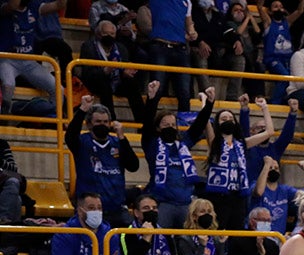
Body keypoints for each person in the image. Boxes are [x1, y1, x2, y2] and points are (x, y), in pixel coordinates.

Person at [141, 81, 215, 230]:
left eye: (173, 125)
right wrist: (152, 99)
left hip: (185, 203)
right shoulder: (152, 144)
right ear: (158, 127)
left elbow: (198, 125)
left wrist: (209, 104)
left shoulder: (183, 143)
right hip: (163, 203)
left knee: (186, 240)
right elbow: (147, 123)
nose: (170, 128)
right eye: (166, 125)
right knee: (160, 239)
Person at [66, 97, 140, 228]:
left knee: (130, 236)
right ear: (89, 124)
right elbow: (70, 135)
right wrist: (82, 110)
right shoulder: (82, 142)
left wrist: (122, 138)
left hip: (117, 209)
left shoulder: (117, 142)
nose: (102, 125)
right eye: (98, 121)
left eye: (106, 122)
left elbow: (133, 166)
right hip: (91, 211)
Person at [203, 98, 275, 231]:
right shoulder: (214, 142)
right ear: (217, 124)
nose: (228, 121)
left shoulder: (242, 143)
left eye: (231, 118)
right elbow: (205, 120)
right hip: (218, 196)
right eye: (224, 119)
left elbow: (270, 132)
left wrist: (264, 107)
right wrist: (205, 101)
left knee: (237, 233)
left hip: (238, 195)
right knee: (218, 233)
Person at [79, 21, 146, 123]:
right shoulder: (88, 47)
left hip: (116, 81)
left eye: (112, 34)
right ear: (98, 34)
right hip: (96, 82)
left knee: (131, 84)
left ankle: (143, 121)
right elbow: (87, 73)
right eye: (105, 33)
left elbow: (124, 67)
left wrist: (125, 73)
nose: (109, 36)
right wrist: (104, 71)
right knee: (104, 84)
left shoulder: (121, 48)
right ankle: (111, 121)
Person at [0, 0, 59, 115]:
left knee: (58, 88)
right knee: (8, 85)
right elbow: (13, 6)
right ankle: (4, 117)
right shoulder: (4, 5)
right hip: (6, 59)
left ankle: (54, 118)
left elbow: (58, 5)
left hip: (28, 61)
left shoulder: (34, 6)